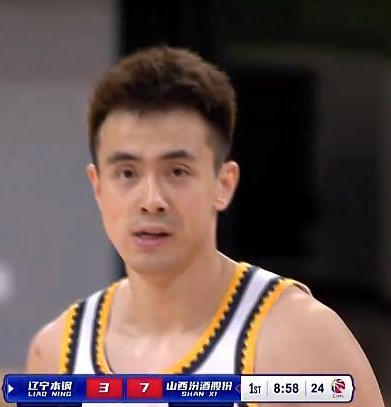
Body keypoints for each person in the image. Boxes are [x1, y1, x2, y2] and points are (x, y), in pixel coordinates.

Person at [25, 46, 384, 407]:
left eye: (177, 171)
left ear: (223, 184)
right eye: (127, 173)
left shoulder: (300, 341)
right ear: (98, 187)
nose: (152, 200)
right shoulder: (55, 354)